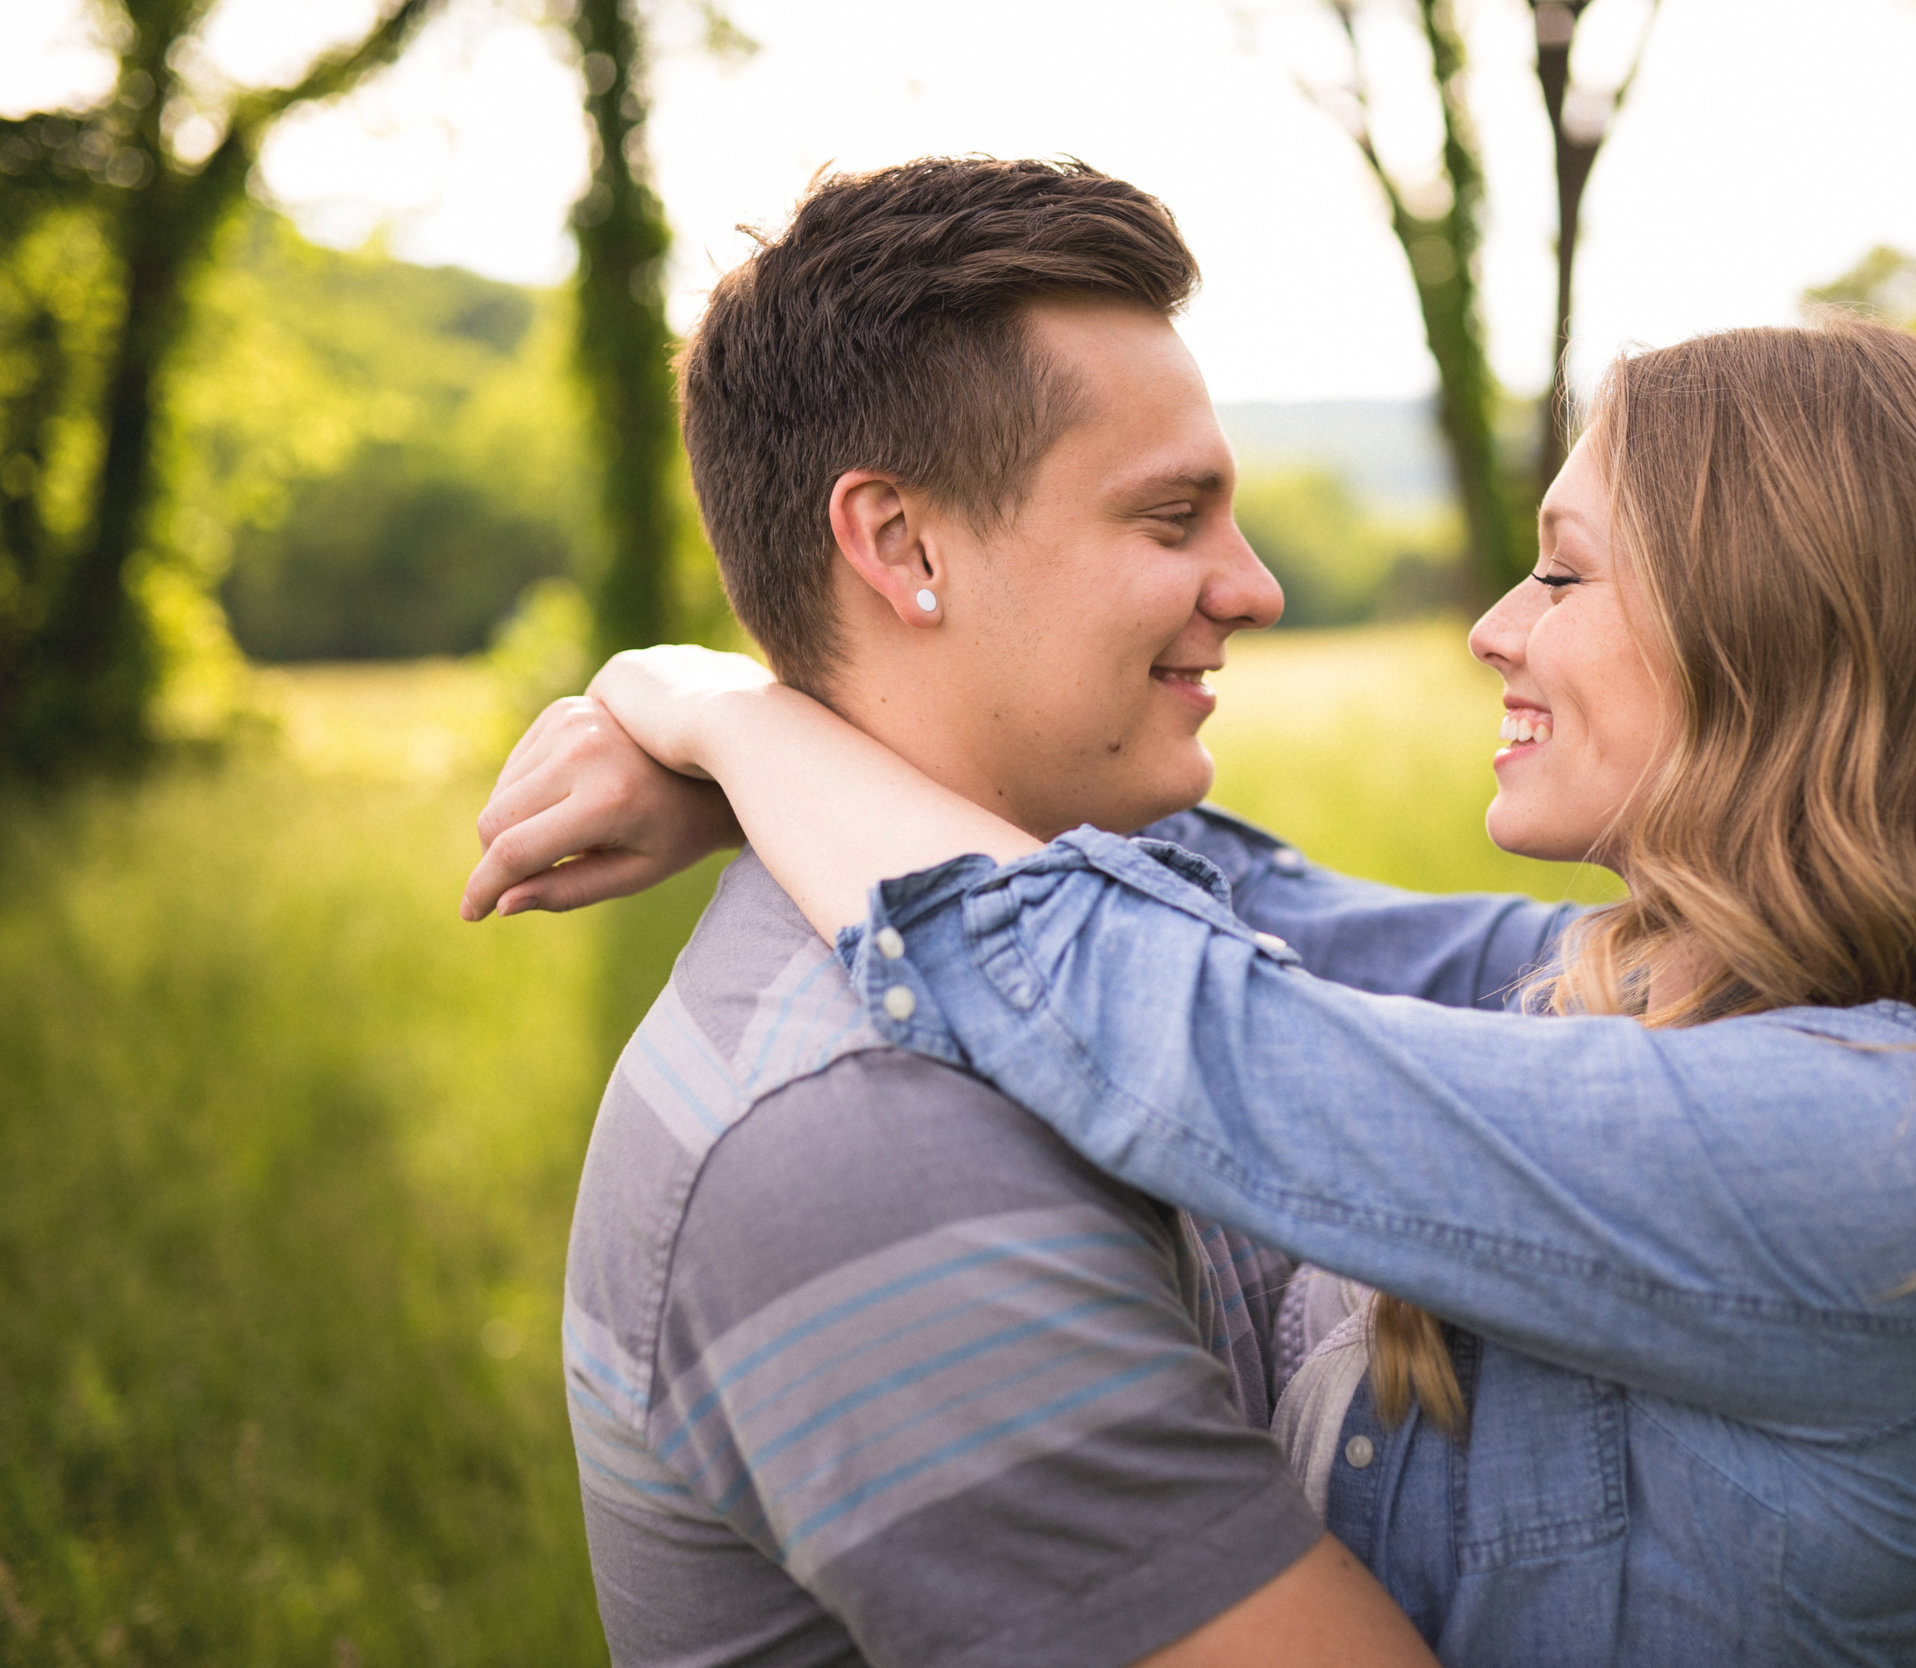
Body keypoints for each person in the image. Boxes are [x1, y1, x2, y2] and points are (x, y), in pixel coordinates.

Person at [473, 316, 1916, 1665]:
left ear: (1800, 647)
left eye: (1566, 574)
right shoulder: (1626, 989)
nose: (1498, 627)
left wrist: (735, 718)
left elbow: (1185, 1024)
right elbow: (1238, 903)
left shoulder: (1889, 1154)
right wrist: (778, 764)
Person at [479, 155, 1462, 1668]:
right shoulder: (855, 1150)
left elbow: (1532, 981)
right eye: (1170, 519)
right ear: (903, 548)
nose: (1253, 587)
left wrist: (735, 725)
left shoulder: (1097, 907)